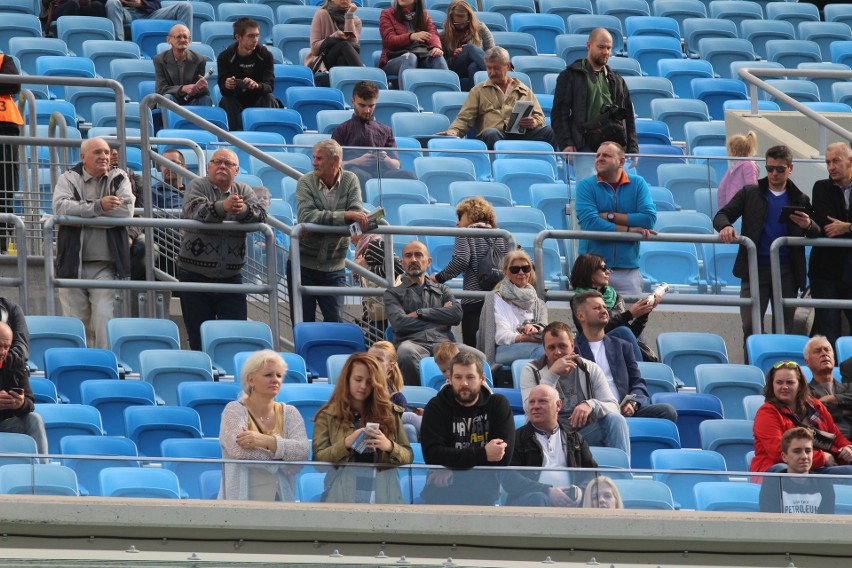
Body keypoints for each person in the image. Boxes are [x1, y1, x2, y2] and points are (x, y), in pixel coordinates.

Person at [714, 145, 819, 356]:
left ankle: (784, 378)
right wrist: (725, 226)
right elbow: (721, 215)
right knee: (750, 327)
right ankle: (754, 373)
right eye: (769, 168)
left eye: (779, 169)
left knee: (785, 329)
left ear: (791, 168)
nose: (773, 174)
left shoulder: (800, 198)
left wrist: (808, 225)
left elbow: (816, 232)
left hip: (787, 271)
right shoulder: (750, 192)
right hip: (754, 269)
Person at [177, 148, 265, 351]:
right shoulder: (197, 185)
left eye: (228, 164)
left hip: (231, 277)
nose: (222, 166)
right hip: (194, 275)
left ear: (236, 170)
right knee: (198, 337)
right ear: (209, 167)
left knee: (235, 337)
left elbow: (261, 216)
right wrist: (223, 207)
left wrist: (242, 210)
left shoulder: (244, 190)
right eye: (217, 162)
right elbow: (196, 211)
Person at [52, 137, 134, 350]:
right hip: (72, 264)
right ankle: (78, 368)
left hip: (106, 266)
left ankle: (103, 370)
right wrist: (99, 207)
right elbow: (60, 208)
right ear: (83, 157)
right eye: (98, 152)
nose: (104, 157)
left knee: (104, 322)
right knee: (76, 328)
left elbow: (126, 212)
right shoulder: (68, 178)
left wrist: (82, 220)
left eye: (106, 152)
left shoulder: (119, 177)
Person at [519, 321, 630, 459]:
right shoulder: (531, 370)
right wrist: (552, 375)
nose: (557, 352)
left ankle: (622, 473)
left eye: (562, 346)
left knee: (616, 420)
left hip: (583, 432)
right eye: (551, 347)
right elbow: (529, 408)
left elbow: (613, 406)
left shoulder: (589, 368)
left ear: (572, 346)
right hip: (550, 434)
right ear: (545, 349)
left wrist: (591, 404)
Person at [312, 352, 413, 503]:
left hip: (384, 499)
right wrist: (347, 443)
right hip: (342, 499)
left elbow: (408, 456)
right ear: (347, 380)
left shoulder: (390, 412)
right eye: (358, 379)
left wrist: (389, 446)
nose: (363, 386)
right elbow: (319, 463)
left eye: (370, 381)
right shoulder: (327, 415)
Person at [384, 240, 486, 386]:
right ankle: (417, 401)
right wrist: (441, 317)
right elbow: (400, 324)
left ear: (429, 261)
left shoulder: (443, 290)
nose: (413, 259)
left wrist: (420, 313)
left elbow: (457, 315)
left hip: (445, 343)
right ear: (402, 263)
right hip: (413, 343)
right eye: (408, 256)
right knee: (406, 354)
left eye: (418, 255)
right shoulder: (393, 293)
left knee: (479, 357)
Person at [419, 350, 514, 505]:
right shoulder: (436, 407)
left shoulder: (497, 405)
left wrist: (451, 466)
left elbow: (502, 458)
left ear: (482, 378)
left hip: (484, 499)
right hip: (441, 497)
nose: (464, 383)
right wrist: (484, 453)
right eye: (458, 377)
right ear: (449, 378)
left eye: (470, 377)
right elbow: (432, 455)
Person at [290, 139, 367, 324]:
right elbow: (306, 218)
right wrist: (344, 216)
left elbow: (355, 216)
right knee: (303, 322)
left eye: (319, 158)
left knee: (335, 322)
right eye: (314, 157)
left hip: (335, 266)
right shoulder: (305, 182)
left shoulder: (350, 180)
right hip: (303, 265)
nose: (313, 162)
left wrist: (319, 228)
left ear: (335, 160)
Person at [572, 291, 677, 422]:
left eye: (604, 307)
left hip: (624, 409)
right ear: (581, 316)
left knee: (667, 412)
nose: (604, 311)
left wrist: (632, 403)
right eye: (597, 308)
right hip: (594, 413)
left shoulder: (622, 346)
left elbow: (637, 382)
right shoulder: (573, 350)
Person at [219, 350, 310, 501]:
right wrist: (282, 460)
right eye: (268, 375)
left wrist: (266, 441)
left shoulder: (290, 413)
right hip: (240, 504)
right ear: (251, 380)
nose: (275, 380)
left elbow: (303, 451)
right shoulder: (234, 410)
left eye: (279, 375)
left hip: (281, 504)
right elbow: (239, 452)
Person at [551, 28, 638, 181]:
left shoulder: (617, 80)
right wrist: (566, 143)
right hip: (584, 145)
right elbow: (559, 113)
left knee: (613, 193)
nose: (606, 52)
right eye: (601, 47)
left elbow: (628, 116)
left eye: (609, 48)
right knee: (588, 192)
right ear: (589, 45)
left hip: (614, 146)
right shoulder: (569, 76)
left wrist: (632, 148)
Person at [575, 141, 657, 297]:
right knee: (591, 320)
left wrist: (608, 216)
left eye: (606, 155)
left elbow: (648, 219)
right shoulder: (586, 185)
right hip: (592, 271)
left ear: (621, 162)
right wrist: (629, 230)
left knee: (630, 320)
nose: (599, 158)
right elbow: (590, 223)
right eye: (598, 155)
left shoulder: (638, 183)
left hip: (627, 271)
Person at [437, 46, 557, 150]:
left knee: (551, 130)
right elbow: (464, 118)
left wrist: (533, 122)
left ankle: (552, 168)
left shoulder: (524, 90)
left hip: (523, 134)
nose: (492, 72)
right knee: (491, 133)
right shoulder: (478, 90)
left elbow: (539, 118)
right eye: (489, 68)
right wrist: (453, 131)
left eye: (496, 68)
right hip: (496, 134)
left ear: (508, 66)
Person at [431, 196, 509, 347]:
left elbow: (460, 261)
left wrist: (438, 278)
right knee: (495, 352)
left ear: (470, 215)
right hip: (500, 302)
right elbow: (523, 261)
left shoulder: (465, 233)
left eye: (460, 217)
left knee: (473, 352)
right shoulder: (504, 235)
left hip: (474, 303)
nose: (457, 223)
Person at [751, 360, 852, 476]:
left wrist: (848, 448)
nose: (784, 387)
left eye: (790, 382)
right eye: (779, 382)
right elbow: (778, 453)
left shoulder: (816, 406)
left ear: (800, 385)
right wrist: (822, 457)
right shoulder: (766, 413)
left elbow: (836, 436)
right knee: (786, 471)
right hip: (778, 469)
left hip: (817, 468)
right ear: (772, 385)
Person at [504, 384, 597, 507]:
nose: (535, 406)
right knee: (538, 498)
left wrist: (581, 490)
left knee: (601, 499)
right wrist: (547, 491)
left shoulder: (574, 439)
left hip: (571, 502)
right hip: (532, 501)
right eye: (531, 402)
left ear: (558, 405)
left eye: (542, 401)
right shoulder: (516, 439)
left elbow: (594, 473)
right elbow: (509, 478)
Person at [569, 252, 657, 360]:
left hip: (618, 350)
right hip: (594, 347)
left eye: (608, 268)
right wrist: (629, 314)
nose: (608, 272)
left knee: (625, 332)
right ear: (589, 273)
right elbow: (593, 329)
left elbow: (631, 335)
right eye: (603, 268)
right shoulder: (579, 300)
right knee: (623, 332)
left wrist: (644, 312)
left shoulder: (614, 297)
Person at [331, 80, 418, 188]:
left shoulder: (386, 130)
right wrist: (357, 161)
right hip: (355, 172)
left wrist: (386, 159)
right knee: (359, 175)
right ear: (352, 102)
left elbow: (397, 165)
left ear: (376, 103)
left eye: (371, 106)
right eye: (362, 105)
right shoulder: (341, 130)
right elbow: (332, 165)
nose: (367, 110)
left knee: (410, 176)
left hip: (382, 172)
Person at [808, 142, 852, 350]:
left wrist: (848, 227)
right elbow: (828, 226)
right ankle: (830, 380)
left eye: (836, 161)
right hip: (826, 272)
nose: (831, 167)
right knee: (829, 332)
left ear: (850, 161)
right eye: (827, 162)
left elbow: (842, 227)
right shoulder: (821, 187)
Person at [478, 249, 547, 366]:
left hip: (532, 344)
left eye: (525, 268)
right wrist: (523, 337)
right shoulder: (494, 298)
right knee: (543, 351)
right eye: (515, 269)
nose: (521, 273)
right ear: (505, 272)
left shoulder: (539, 303)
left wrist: (535, 329)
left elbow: (545, 330)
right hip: (502, 350)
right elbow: (500, 337)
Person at [217, 18, 279, 132]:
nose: (255, 40)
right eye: (251, 36)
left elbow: (269, 86)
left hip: (258, 97)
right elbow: (223, 90)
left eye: (257, 36)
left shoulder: (266, 55)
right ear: (238, 37)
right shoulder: (224, 57)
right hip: (236, 99)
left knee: (269, 98)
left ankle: (267, 135)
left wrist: (256, 86)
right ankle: (232, 138)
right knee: (226, 100)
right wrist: (228, 85)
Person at [759, 427, 836, 515]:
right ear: (784, 456)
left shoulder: (824, 483)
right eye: (797, 451)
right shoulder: (772, 483)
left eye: (808, 451)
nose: (804, 456)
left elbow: (827, 524)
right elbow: (769, 523)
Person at [0, 322, 47, 455]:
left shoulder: (15, 362)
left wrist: (20, 403)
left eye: (6, 347)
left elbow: (30, 403)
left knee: (34, 419)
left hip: (5, 424)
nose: (2, 352)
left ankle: (42, 471)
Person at [379, 0, 448, 81]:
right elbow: (389, 41)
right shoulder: (387, 14)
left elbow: (433, 34)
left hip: (420, 56)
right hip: (394, 58)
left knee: (437, 56)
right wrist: (410, 37)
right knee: (410, 57)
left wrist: (436, 47)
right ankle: (406, 93)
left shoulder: (424, 15)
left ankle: (446, 93)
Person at [368, 341, 422, 442]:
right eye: (370, 359)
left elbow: (399, 429)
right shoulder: (360, 386)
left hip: (388, 436)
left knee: (409, 429)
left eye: (379, 359)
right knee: (410, 418)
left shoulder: (397, 397)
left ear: (391, 367)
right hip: (365, 428)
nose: (373, 362)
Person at [353, 233, 402, 334]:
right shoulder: (365, 247)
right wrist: (367, 314)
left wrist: (368, 269)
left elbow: (398, 267)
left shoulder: (374, 244)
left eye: (351, 233)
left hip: (384, 309)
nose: (349, 239)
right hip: (378, 311)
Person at [153, 24, 212, 107]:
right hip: (171, 99)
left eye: (185, 37)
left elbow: (204, 92)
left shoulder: (199, 59)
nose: (182, 39)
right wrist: (182, 89)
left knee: (206, 99)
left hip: (191, 100)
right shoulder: (159, 60)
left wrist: (202, 88)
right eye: (178, 37)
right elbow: (161, 90)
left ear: (190, 40)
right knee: (166, 97)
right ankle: (170, 120)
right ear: (169, 40)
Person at [439, 1, 493, 90]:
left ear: (470, 18)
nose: (462, 26)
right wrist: (455, 55)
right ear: (451, 21)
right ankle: (497, 75)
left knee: (473, 66)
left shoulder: (480, 28)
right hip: (457, 69)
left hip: (478, 66)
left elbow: (491, 51)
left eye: (465, 23)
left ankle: (478, 97)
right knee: (469, 47)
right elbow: (444, 65)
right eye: (457, 24)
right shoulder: (444, 36)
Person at [805, 336, 852, 438]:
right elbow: (814, 414)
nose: (824, 353)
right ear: (807, 362)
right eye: (818, 351)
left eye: (827, 350)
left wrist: (835, 399)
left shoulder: (849, 387)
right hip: (831, 445)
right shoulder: (805, 392)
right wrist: (846, 409)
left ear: (833, 357)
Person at [0, 53, 23, 253]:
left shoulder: (4, 59)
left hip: (5, 126)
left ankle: (1, 241)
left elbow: (13, 84)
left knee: (5, 185)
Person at [305, 0, 363, 73]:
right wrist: (335, 36)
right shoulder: (321, 14)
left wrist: (349, 15)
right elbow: (314, 49)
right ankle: (364, 79)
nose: (345, 0)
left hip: (343, 59)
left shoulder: (356, 20)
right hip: (324, 59)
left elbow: (354, 45)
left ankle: (348, 81)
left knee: (342, 59)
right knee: (344, 44)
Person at [104, 0, 192, 42]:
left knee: (185, 6)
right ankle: (119, 45)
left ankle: (186, 43)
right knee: (112, 2)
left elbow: (157, 5)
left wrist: (141, 3)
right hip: (125, 13)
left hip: (150, 14)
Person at [717, 131, 759, 209]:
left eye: (728, 150)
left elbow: (751, 187)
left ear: (734, 152)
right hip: (731, 206)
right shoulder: (733, 166)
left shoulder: (749, 165)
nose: (728, 153)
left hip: (742, 207)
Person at [40, 0, 106, 36]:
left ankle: (97, 38)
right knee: (72, 4)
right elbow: (46, 2)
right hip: (60, 8)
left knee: (97, 5)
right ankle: (70, 38)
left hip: (82, 7)